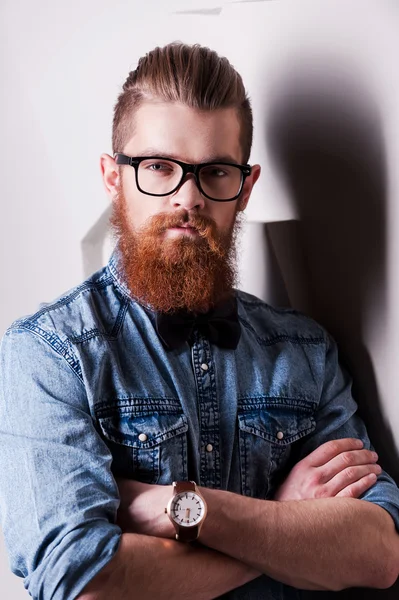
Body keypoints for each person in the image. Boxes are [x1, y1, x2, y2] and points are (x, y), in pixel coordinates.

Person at [0, 42, 398, 600]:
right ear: (113, 177)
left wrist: (187, 510)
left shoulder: (307, 351)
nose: (188, 199)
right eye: (159, 167)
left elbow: (376, 553)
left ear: (246, 186)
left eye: (214, 172)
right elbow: (84, 583)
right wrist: (282, 521)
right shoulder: (48, 353)